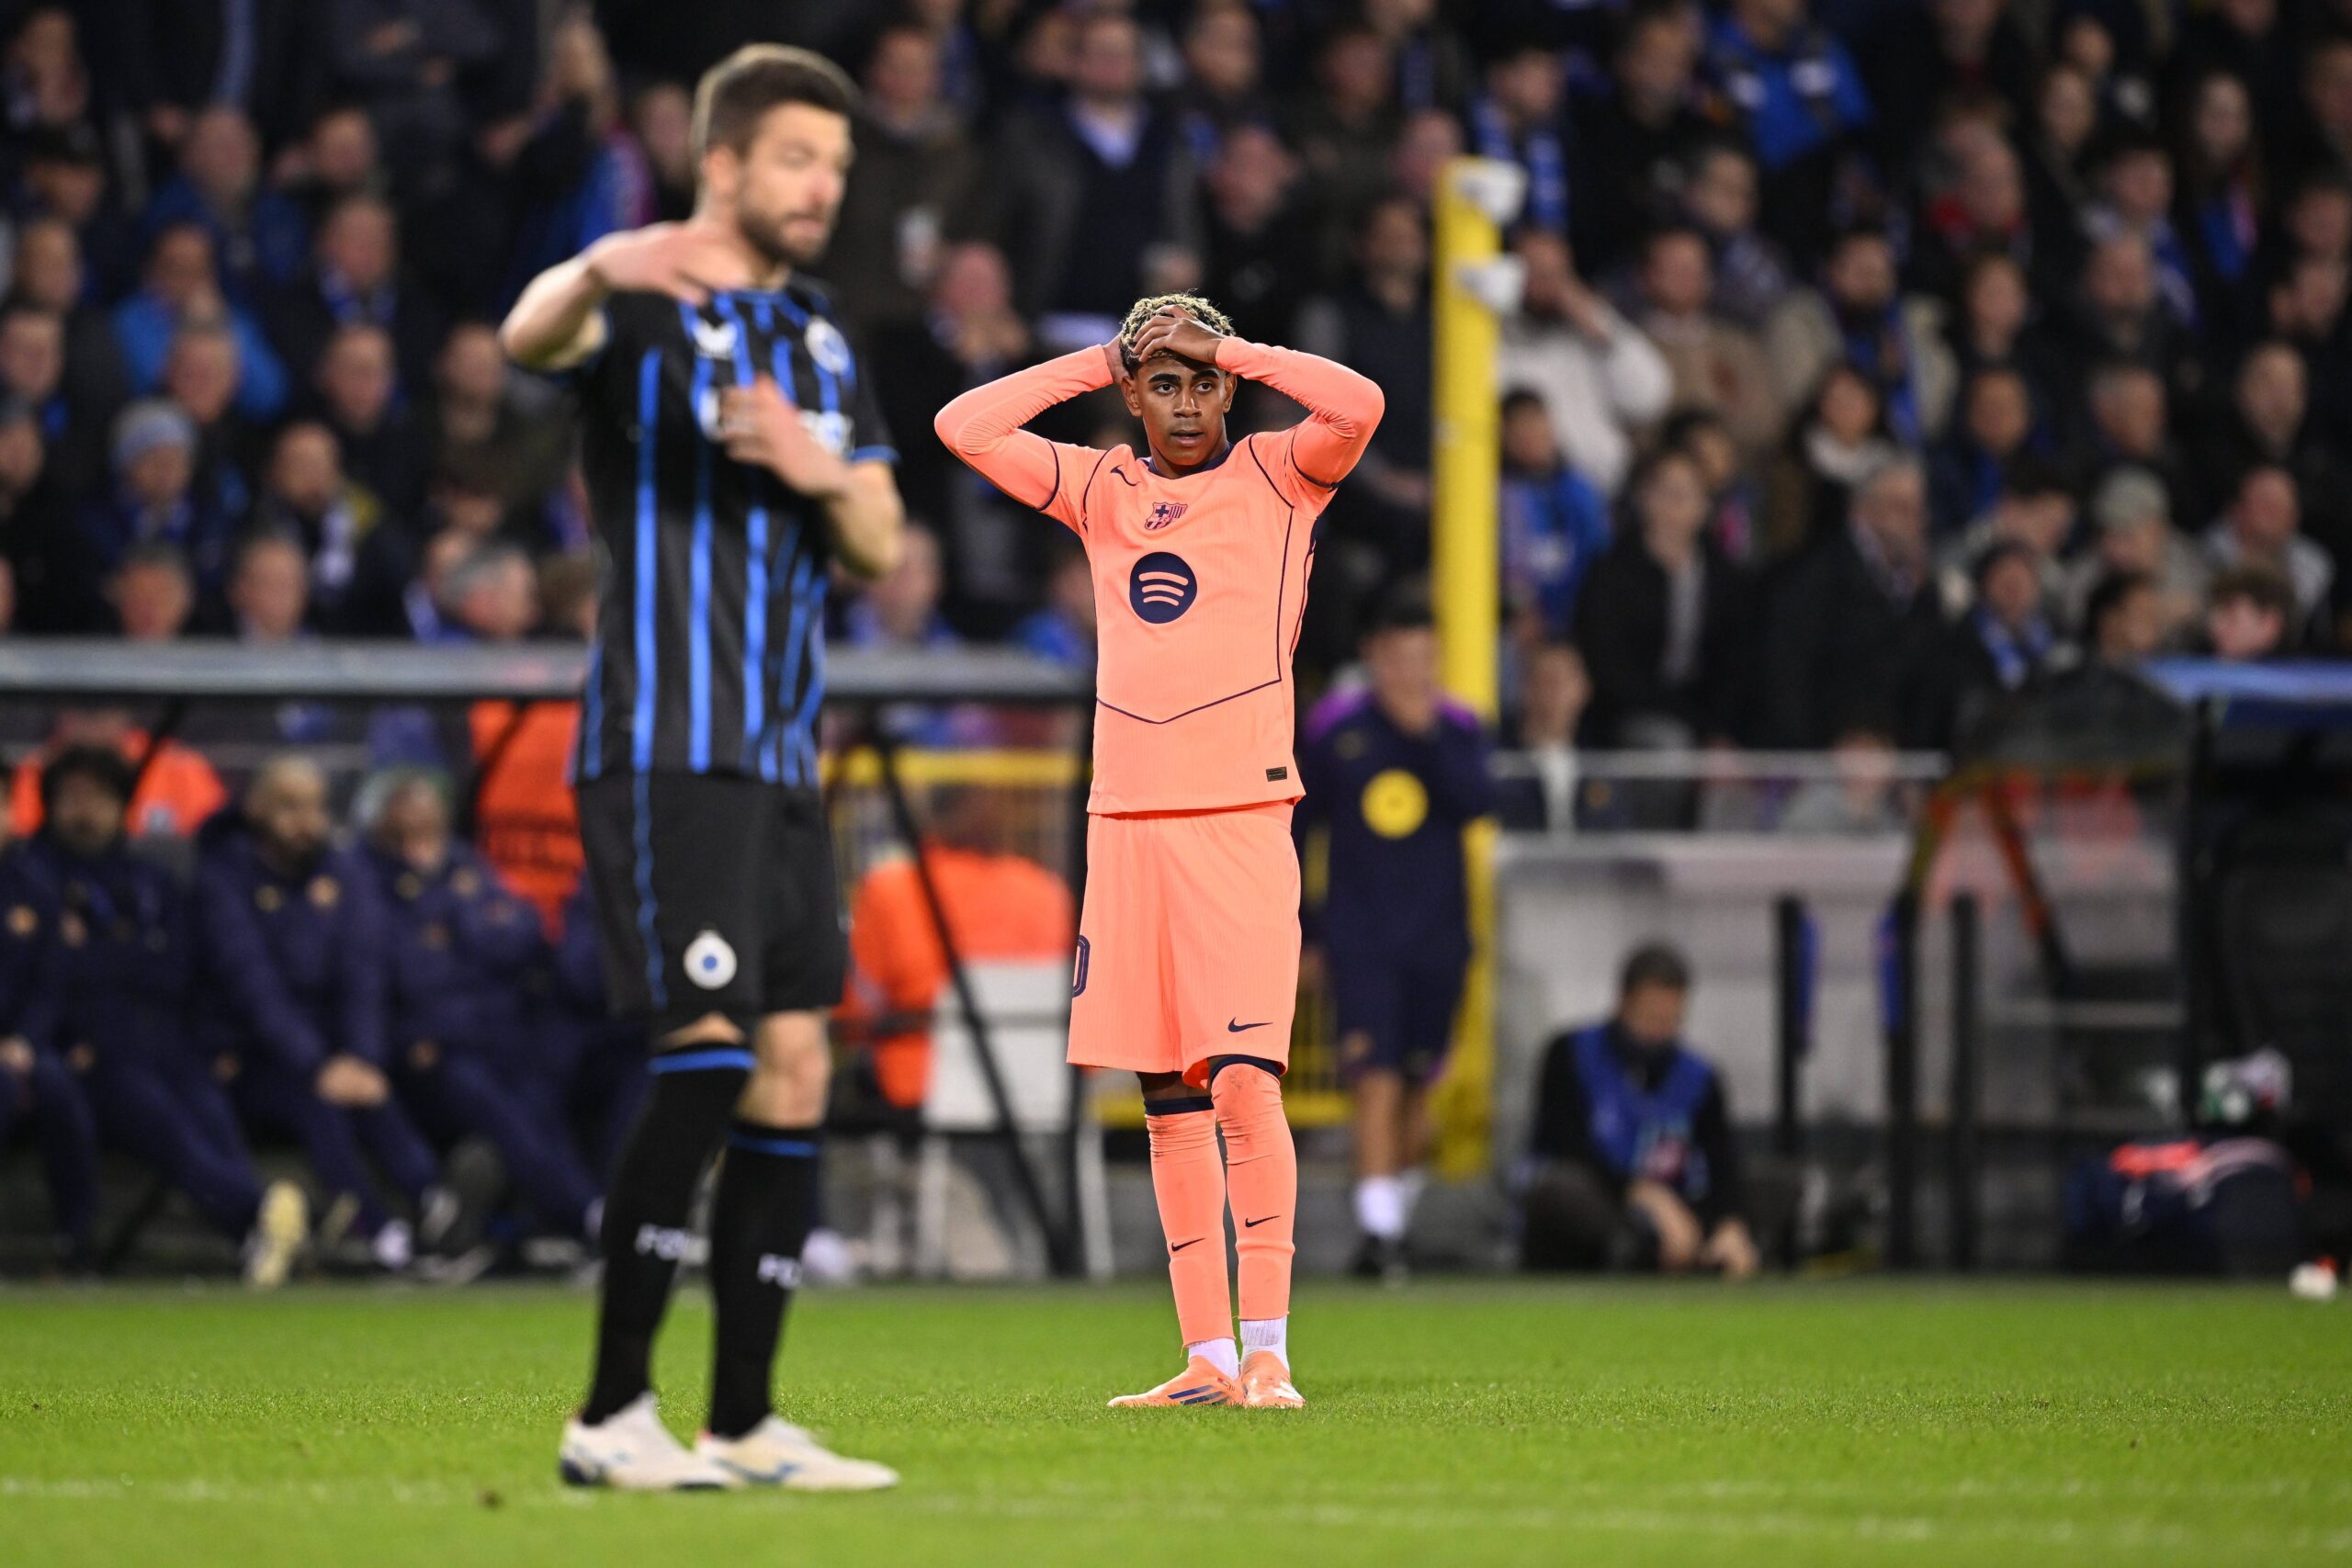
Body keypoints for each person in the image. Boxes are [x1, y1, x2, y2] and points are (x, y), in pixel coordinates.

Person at [501, 44, 904, 1492]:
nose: (822, 189)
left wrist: (815, 465)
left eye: (838, 169)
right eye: (797, 159)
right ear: (720, 162)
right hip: (669, 741)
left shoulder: (821, 339)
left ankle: (743, 1420)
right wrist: (604, 266)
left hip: (784, 758)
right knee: (711, 1053)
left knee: (795, 1062)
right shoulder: (644, 307)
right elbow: (525, 340)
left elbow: (880, 538)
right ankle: (611, 1409)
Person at [936, 290, 1383, 1409]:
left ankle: (1270, 1345)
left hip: (1237, 818)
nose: (1188, 401)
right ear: (1134, 395)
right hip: (1125, 823)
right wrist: (1096, 357)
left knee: (1242, 1083)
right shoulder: (1102, 490)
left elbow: (1361, 400)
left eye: (1204, 382)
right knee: (1167, 1101)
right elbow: (964, 426)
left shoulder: (1282, 476)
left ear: (1232, 387)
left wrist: (1229, 343)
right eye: (1166, 382)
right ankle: (1206, 1358)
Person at [20, 746, 308, 1285]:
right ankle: (260, 1215)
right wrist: (125, 957)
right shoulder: (33, 876)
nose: (86, 811)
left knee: (212, 1114)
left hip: (168, 1036)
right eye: (73, 798)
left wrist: (108, 954)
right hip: (92, 1045)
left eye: (99, 798)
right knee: (165, 1126)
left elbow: (177, 965)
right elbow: (57, 972)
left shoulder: (150, 878)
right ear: (50, 806)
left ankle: (260, 1239)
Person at [1295, 592, 1491, 1281]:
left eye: (1425, 658)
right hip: (1363, 934)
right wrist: (1306, 929)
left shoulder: (1460, 727)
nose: (1414, 671)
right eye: (1402, 657)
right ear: (1374, 656)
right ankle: (1380, 1234)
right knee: (1372, 1077)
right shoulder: (1333, 727)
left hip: (1439, 932)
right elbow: (1298, 826)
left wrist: (1427, 735)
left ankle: (1391, 1223)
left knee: (1419, 1081)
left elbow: (1477, 802)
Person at [194, 756, 448, 1272]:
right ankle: (377, 1232)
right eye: (289, 807)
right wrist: (317, 1064)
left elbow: (364, 973)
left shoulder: (343, 873)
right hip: (252, 1056)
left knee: (376, 1095)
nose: (304, 821)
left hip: (338, 1055)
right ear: (256, 808)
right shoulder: (222, 877)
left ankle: (436, 1207)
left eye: (313, 807)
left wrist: (360, 1056)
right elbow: (252, 987)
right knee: (318, 1105)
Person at [360, 773, 604, 1256]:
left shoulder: (464, 864)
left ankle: (570, 1217)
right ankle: (587, 1216)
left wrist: (460, 926)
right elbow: (407, 971)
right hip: (428, 1052)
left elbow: (525, 932)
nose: (420, 819)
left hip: (497, 1036)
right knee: (496, 1108)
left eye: (428, 809)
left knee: (543, 1095)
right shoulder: (368, 879)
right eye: (406, 808)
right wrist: (473, 924)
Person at [1522, 943, 1760, 1279]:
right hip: (1604, 1203)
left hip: (1682, 1207)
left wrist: (1731, 1223)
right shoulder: (1570, 1054)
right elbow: (1567, 1146)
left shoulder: (1700, 1076)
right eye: (1650, 1018)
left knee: (1777, 1184)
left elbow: (1721, 1159)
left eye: (1671, 1019)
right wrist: (1645, 1196)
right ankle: (1640, 1252)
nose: (1659, 1031)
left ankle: (1714, 1250)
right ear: (1623, 1002)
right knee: (1561, 1189)